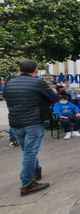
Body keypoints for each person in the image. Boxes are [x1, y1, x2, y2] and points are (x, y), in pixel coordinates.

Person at [4, 61, 57, 196]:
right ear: (35, 71)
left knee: (27, 151)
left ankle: (36, 171)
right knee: (30, 153)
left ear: (20, 70)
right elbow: (54, 98)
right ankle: (27, 184)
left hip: (15, 123)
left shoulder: (9, 82)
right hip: (33, 122)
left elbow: (7, 98)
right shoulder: (38, 82)